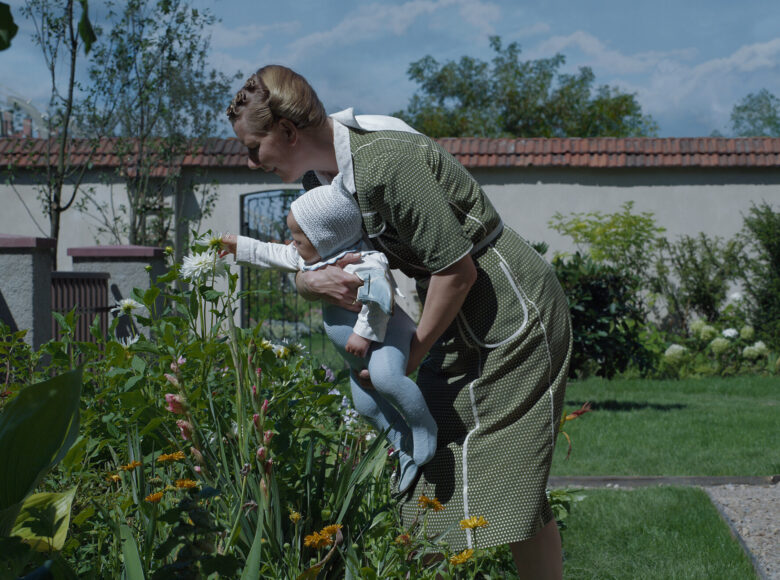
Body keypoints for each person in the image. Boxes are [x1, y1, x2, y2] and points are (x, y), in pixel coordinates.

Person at [225, 64, 572, 579]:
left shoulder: (385, 163)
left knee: (505, 481)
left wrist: (411, 357)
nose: (251, 163)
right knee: (433, 469)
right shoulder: (326, 181)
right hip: (457, 318)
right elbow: (321, 261)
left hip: (511, 315)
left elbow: (457, 270)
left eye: (254, 148)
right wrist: (306, 283)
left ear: (288, 132)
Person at [220, 174, 437, 493]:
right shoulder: (312, 259)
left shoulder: (365, 261)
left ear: (324, 237)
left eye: (298, 237)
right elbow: (272, 253)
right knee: (366, 407)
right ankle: (402, 444)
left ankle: (423, 427)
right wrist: (238, 245)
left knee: (388, 380)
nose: (292, 242)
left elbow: (380, 298)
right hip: (355, 356)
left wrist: (363, 334)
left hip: (385, 338)